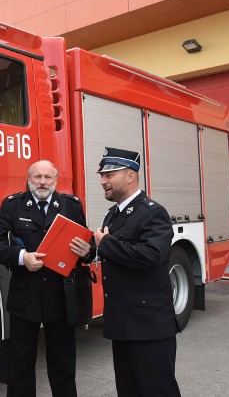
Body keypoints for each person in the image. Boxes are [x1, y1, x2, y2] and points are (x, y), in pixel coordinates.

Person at [0, 160, 92, 397]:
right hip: (25, 298)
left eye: (48, 177)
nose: (42, 182)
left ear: (55, 180)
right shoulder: (13, 206)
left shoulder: (71, 205)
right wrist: (22, 257)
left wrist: (87, 250)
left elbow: (88, 245)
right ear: (29, 179)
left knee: (63, 365)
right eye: (37, 177)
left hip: (61, 298)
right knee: (20, 365)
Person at [94, 147, 181, 397]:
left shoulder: (152, 212)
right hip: (123, 323)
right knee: (129, 390)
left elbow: (153, 255)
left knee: (157, 390)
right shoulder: (114, 213)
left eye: (109, 175)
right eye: (102, 175)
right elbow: (116, 252)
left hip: (149, 326)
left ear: (130, 176)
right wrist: (89, 249)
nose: (103, 181)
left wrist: (106, 244)